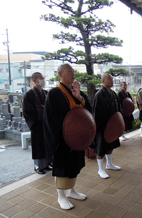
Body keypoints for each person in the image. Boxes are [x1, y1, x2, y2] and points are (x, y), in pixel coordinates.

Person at [43, 64, 91, 210]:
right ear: (60, 74)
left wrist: (79, 98)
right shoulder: (54, 93)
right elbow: (51, 118)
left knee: (73, 165)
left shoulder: (74, 91)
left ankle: (71, 191)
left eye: (73, 71)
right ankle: (61, 196)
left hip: (75, 138)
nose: (73, 73)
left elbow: (87, 111)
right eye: (69, 71)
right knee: (62, 167)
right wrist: (67, 128)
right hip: (62, 138)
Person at [92, 73, 122, 179]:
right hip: (102, 126)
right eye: (109, 78)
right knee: (100, 148)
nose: (112, 80)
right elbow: (95, 113)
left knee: (110, 145)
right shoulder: (99, 94)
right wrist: (97, 128)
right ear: (103, 81)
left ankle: (109, 164)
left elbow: (118, 109)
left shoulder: (113, 94)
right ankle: (100, 169)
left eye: (112, 78)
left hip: (112, 125)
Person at [23, 72, 52, 174]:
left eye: (43, 78)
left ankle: (47, 163)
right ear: (34, 80)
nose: (43, 80)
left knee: (46, 144)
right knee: (38, 146)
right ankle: (38, 166)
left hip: (46, 124)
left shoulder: (46, 93)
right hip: (37, 124)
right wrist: (41, 112)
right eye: (41, 78)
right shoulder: (29, 94)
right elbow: (27, 111)